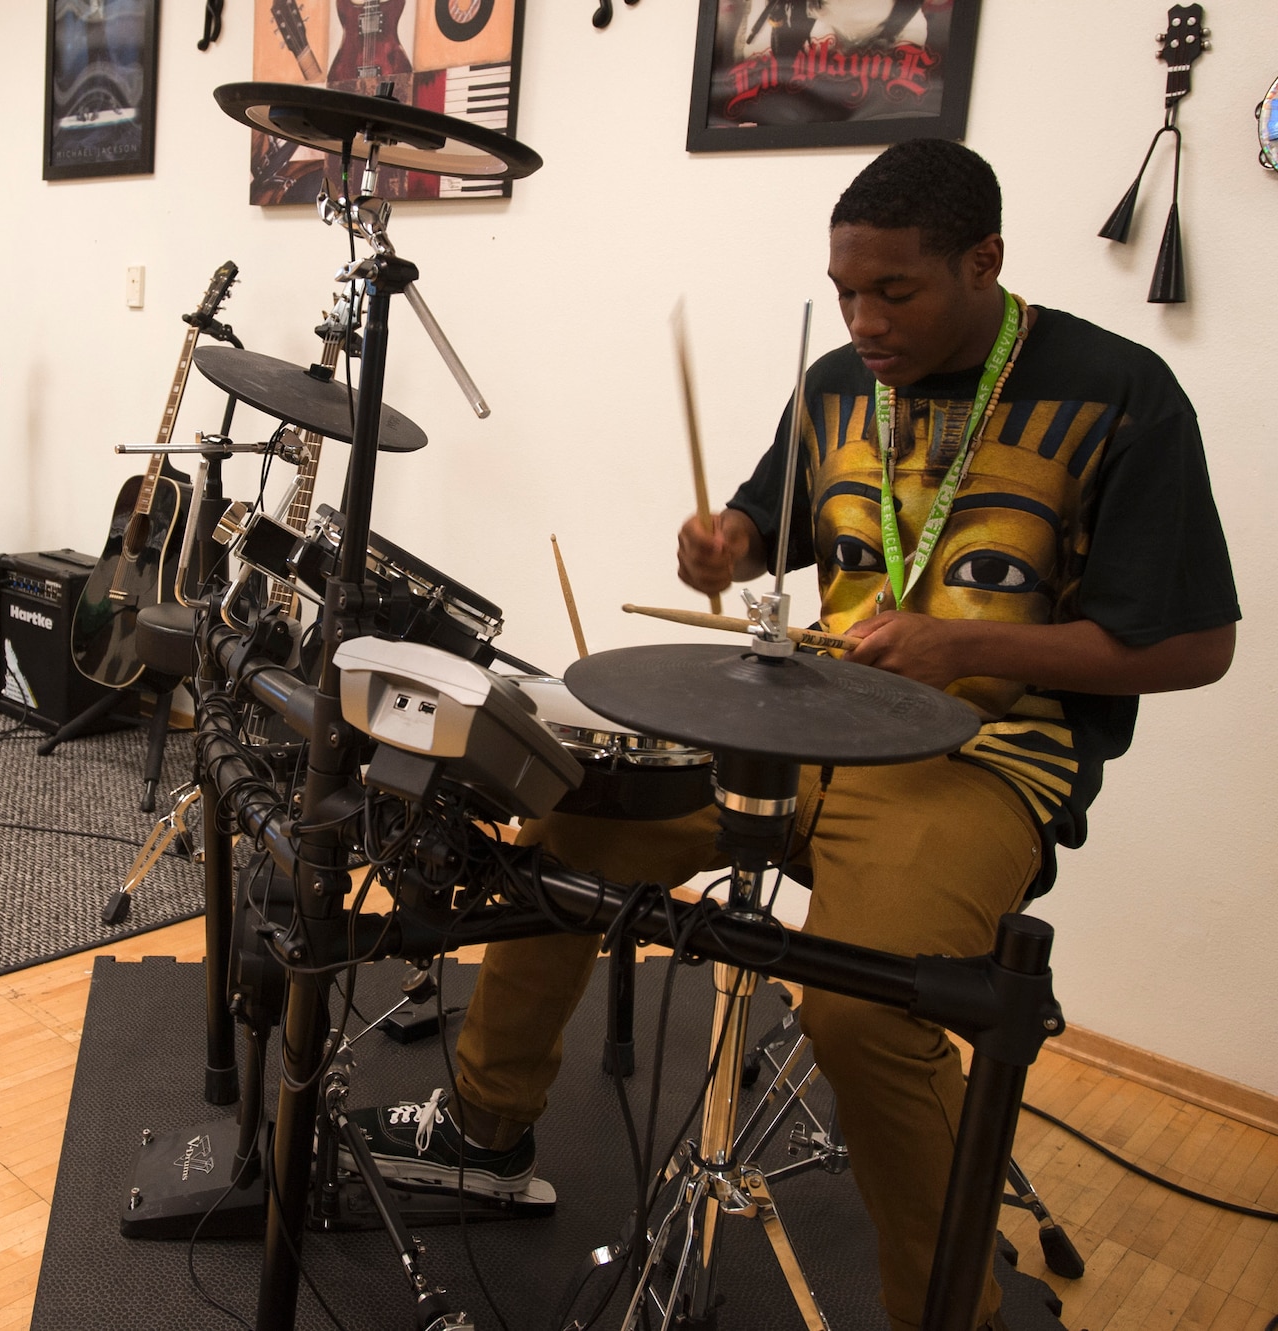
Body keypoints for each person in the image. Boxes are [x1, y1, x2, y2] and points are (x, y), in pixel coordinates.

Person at [347, 140, 1238, 1331]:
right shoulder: (835, 382)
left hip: (980, 758)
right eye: (843, 290)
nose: (863, 318)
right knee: (564, 831)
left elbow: (1190, 646)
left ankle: (947, 1312)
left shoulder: (1117, 394)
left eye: (894, 292)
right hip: (800, 714)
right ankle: (482, 1126)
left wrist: (969, 645)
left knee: (862, 1010)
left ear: (984, 262)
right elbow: (769, 523)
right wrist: (719, 542)